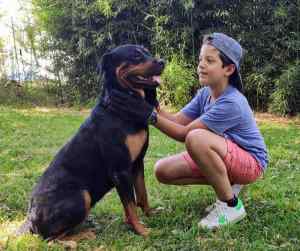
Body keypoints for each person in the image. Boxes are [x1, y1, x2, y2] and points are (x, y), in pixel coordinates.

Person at [108, 32, 268, 229]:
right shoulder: (205, 94)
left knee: (196, 138)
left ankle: (231, 205)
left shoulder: (232, 102)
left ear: (228, 69)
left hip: (251, 163)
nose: (201, 64)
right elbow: (177, 121)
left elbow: (185, 134)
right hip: (227, 154)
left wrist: (147, 115)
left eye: (209, 60)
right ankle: (229, 185)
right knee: (162, 171)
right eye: (201, 59)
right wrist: (150, 103)